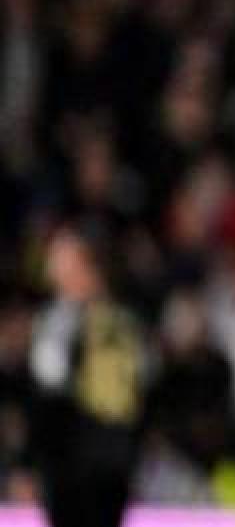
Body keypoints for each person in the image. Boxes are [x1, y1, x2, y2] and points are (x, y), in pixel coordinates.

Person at [26, 220, 148, 527]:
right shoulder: (60, 316)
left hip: (87, 469)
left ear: (85, 265)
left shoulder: (107, 321)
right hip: (79, 464)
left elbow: (116, 402)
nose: (53, 263)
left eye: (61, 256)